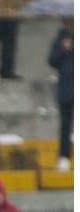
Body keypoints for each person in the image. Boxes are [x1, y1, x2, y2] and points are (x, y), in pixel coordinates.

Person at [48, 18, 73, 171]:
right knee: (65, 125)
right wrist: (64, 49)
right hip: (66, 88)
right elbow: (51, 60)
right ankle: (64, 156)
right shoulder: (61, 38)